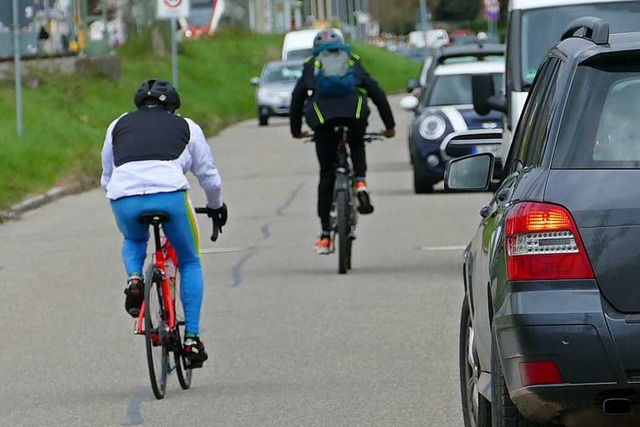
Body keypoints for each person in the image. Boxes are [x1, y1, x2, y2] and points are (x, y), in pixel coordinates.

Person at [101, 78, 227, 367]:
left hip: (124, 196)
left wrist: (119, 194)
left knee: (133, 239)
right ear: (173, 107)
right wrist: (216, 206)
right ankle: (192, 339)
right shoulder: (187, 127)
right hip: (170, 194)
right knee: (190, 261)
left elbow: (107, 174)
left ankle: (134, 278)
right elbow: (208, 176)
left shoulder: (117, 124)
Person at [289, 29, 396, 254]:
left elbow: (297, 98)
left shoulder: (311, 63)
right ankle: (360, 182)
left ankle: (326, 235)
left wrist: (296, 130)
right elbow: (376, 92)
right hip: (353, 114)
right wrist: (389, 126)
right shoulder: (353, 60)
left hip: (323, 120)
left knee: (327, 173)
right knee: (357, 143)